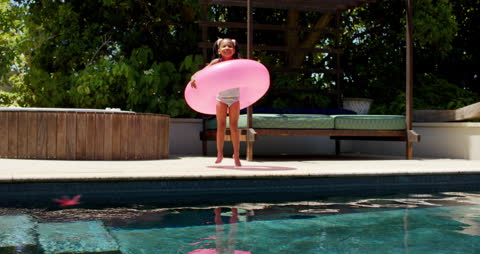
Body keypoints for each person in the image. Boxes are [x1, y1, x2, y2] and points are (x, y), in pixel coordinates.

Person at [191, 38, 242, 167]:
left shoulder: (238, 62)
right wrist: (194, 77)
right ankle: (220, 153)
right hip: (221, 98)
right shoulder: (216, 62)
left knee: (234, 127)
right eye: (224, 46)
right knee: (221, 126)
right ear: (219, 50)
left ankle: (236, 154)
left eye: (230, 46)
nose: (227, 48)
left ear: (234, 49)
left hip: (234, 98)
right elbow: (203, 72)